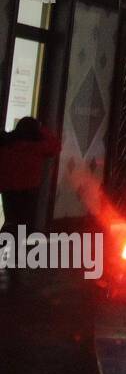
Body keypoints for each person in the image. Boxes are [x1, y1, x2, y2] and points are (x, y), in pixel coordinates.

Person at [0, 117, 60, 293]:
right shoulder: (36, 148)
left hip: (9, 190)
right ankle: (13, 265)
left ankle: (12, 263)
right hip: (28, 192)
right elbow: (55, 145)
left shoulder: (7, 144)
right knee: (22, 227)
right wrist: (42, 129)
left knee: (13, 223)